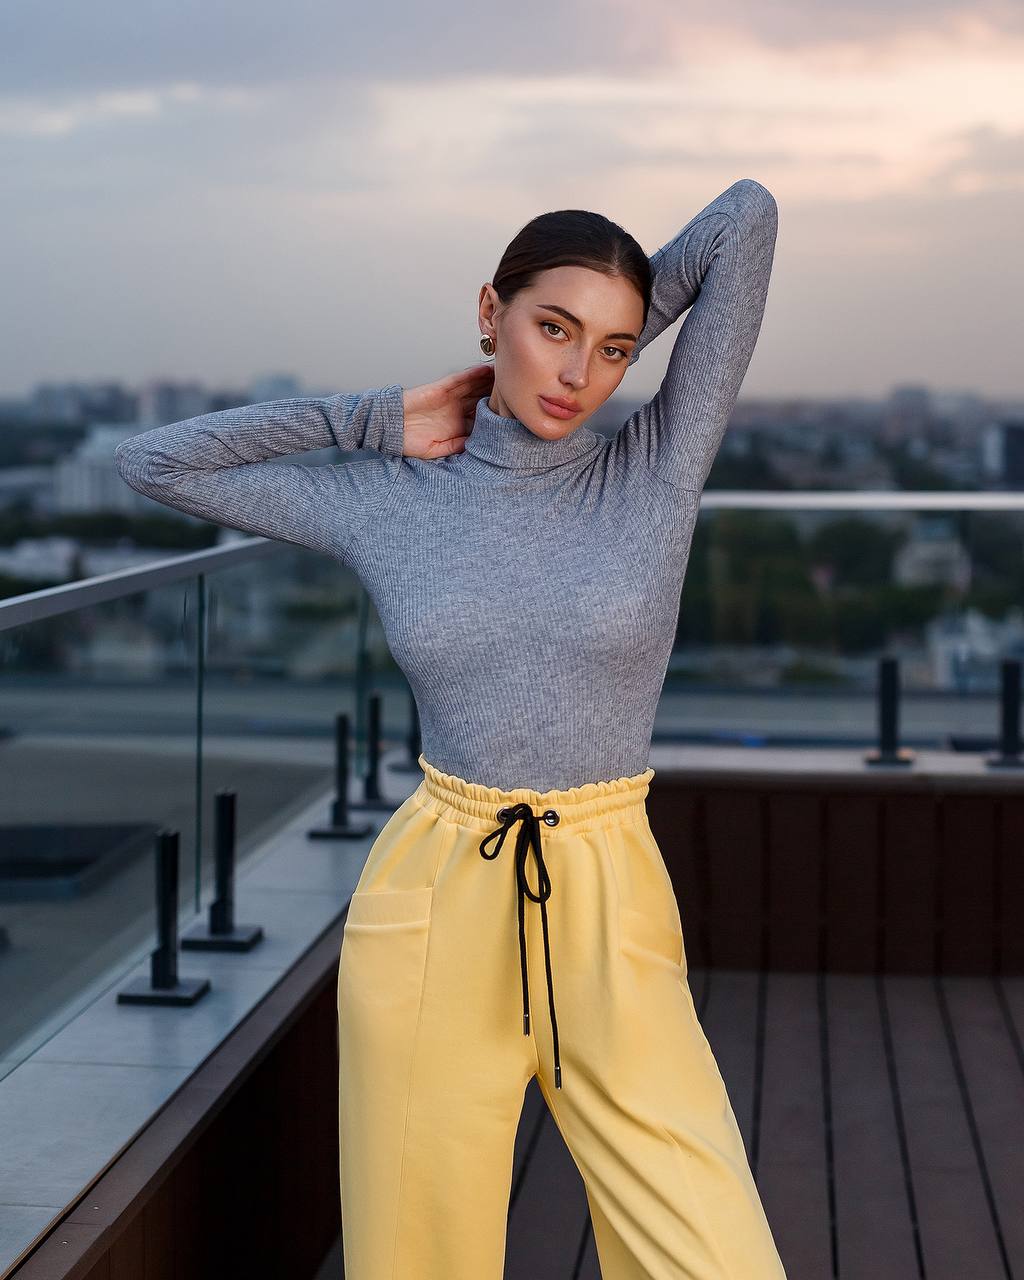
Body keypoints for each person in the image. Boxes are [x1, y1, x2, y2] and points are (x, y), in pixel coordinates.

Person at [115, 176, 785, 1279]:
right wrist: (375, 417)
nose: (577, 374)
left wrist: (616, 309)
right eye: (550, 329)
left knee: (714, 1255)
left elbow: (747, 216)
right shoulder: (387, 496)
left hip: (610, 896)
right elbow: (155, 463)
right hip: (436, 896)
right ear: (489, 313)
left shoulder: (655, 467)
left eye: (612, 350)